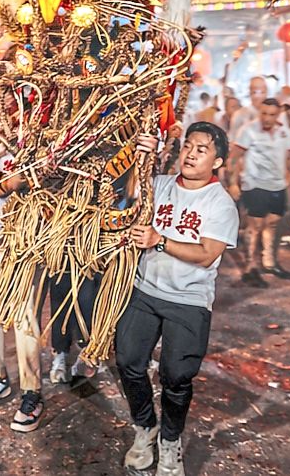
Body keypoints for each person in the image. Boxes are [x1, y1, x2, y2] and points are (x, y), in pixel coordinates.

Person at [116, 122, 238, 476]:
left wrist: (160, 241)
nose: (191, 154)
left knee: (177, 375)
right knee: (128, 361)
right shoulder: (160, 185)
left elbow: (207, 254)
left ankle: (170, 441)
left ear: (217, 162)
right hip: (145, 290)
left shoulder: (221, 204)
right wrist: (141, 155)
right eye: (188, 146)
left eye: (202, 150)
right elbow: (129, 193)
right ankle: (145, 428)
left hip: (189, 299)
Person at [0, 150, 45, 433]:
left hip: (32, 246)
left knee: (25, 318)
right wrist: (8, 183)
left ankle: (32, 391)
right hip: (1, 243)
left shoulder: (51, 150)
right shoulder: (8, 151)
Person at [229, 99, 290, 286]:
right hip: (255, 184)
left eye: (272, 114)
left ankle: (269, 262)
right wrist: (233, 183)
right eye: (264, 113)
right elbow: (234, 157)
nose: (267, 118)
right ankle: (250, 268)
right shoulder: (248, 130)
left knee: (273, 224)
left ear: (278, 115)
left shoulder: (284, 132)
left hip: (278, 185)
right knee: (255, 226)